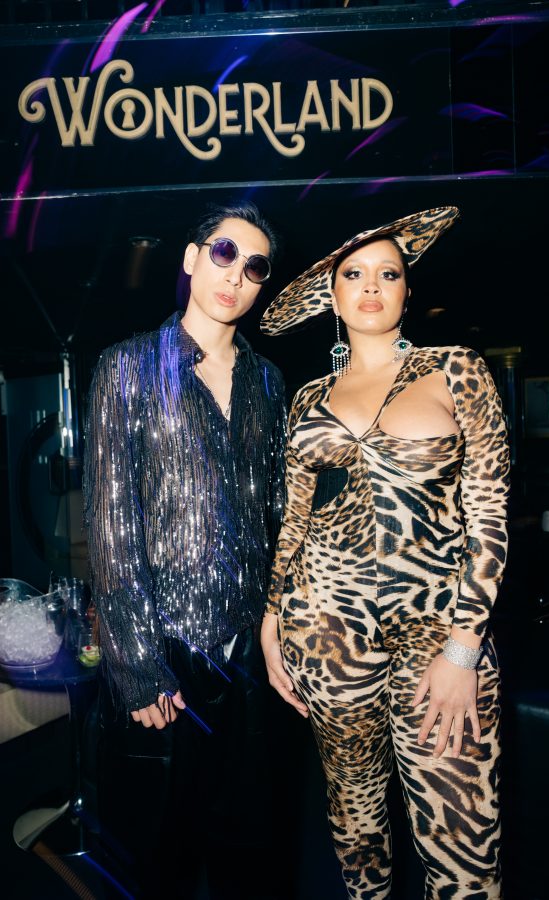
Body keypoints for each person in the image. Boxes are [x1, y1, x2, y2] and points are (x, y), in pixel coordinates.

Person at [260, 206, 510, 900]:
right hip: (324, 630)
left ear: (407, 289)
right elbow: (295, 518)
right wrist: (272, 619)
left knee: (463, 848)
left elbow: (490, 517)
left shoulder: (456, 370)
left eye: (388, 273)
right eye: (354, 274)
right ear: (332, 295)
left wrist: (464, 648)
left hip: (440, 632)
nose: (371, 286)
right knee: (355, 827)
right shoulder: (308, 398)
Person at [83, 202, 286, 899]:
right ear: (193, 258)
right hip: (165, 654)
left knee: (251, 858)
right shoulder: (128, 366)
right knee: (155, 862)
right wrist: (137, 668)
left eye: (254, 266)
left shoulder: (268, 381)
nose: (236, 275)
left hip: (250, 658)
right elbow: (112, 524)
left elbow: (278, 516)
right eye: (224, 253)